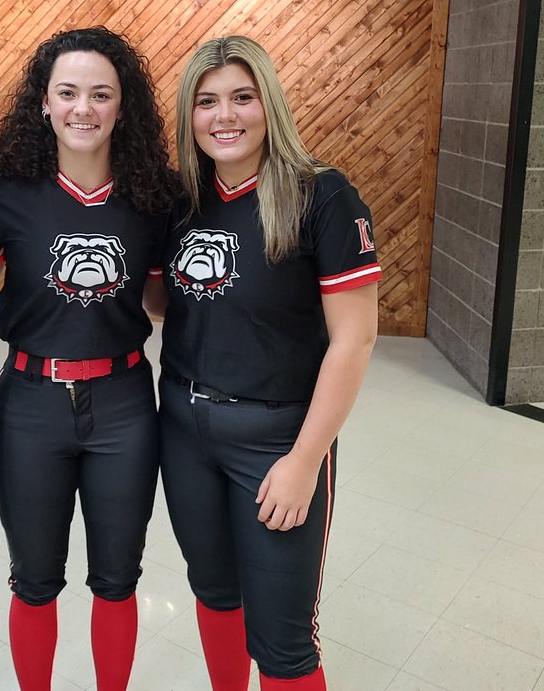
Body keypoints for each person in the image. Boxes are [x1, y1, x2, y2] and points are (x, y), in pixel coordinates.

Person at [153, 36, 381, 690]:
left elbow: (354, 341)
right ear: (189, 115)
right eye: (207, 101)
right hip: (185, 430)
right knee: (215, 593)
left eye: (242, 98)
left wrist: (304, 460)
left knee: (283, 642)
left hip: (277, 439)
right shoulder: (182, 203)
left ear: (268, 104)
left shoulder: (324, 197)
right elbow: (176, 301)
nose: (225, 116)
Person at [0, 26, 177, 691]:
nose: (82, 108)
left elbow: (164, 300)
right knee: (33, 581)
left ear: (124, 107)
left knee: (118, 579)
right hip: (32, 403)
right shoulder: (4, 194)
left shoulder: (155, 198)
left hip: (124, 404)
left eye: (100, 94)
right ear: (43, 102)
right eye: (67, 92)